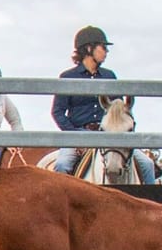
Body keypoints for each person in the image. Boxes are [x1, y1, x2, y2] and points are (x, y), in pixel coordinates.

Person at [51, 25, 156, 184]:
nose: (106, 52)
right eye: (103, 47)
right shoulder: (67, 77)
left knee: (147, 165)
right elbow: (58, 112)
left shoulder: (109, 76)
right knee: (62, 165)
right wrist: (74, 135)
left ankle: (150, 204)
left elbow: (120, 110)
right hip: (78, 135)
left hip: (109, 135)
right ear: (88, 48)